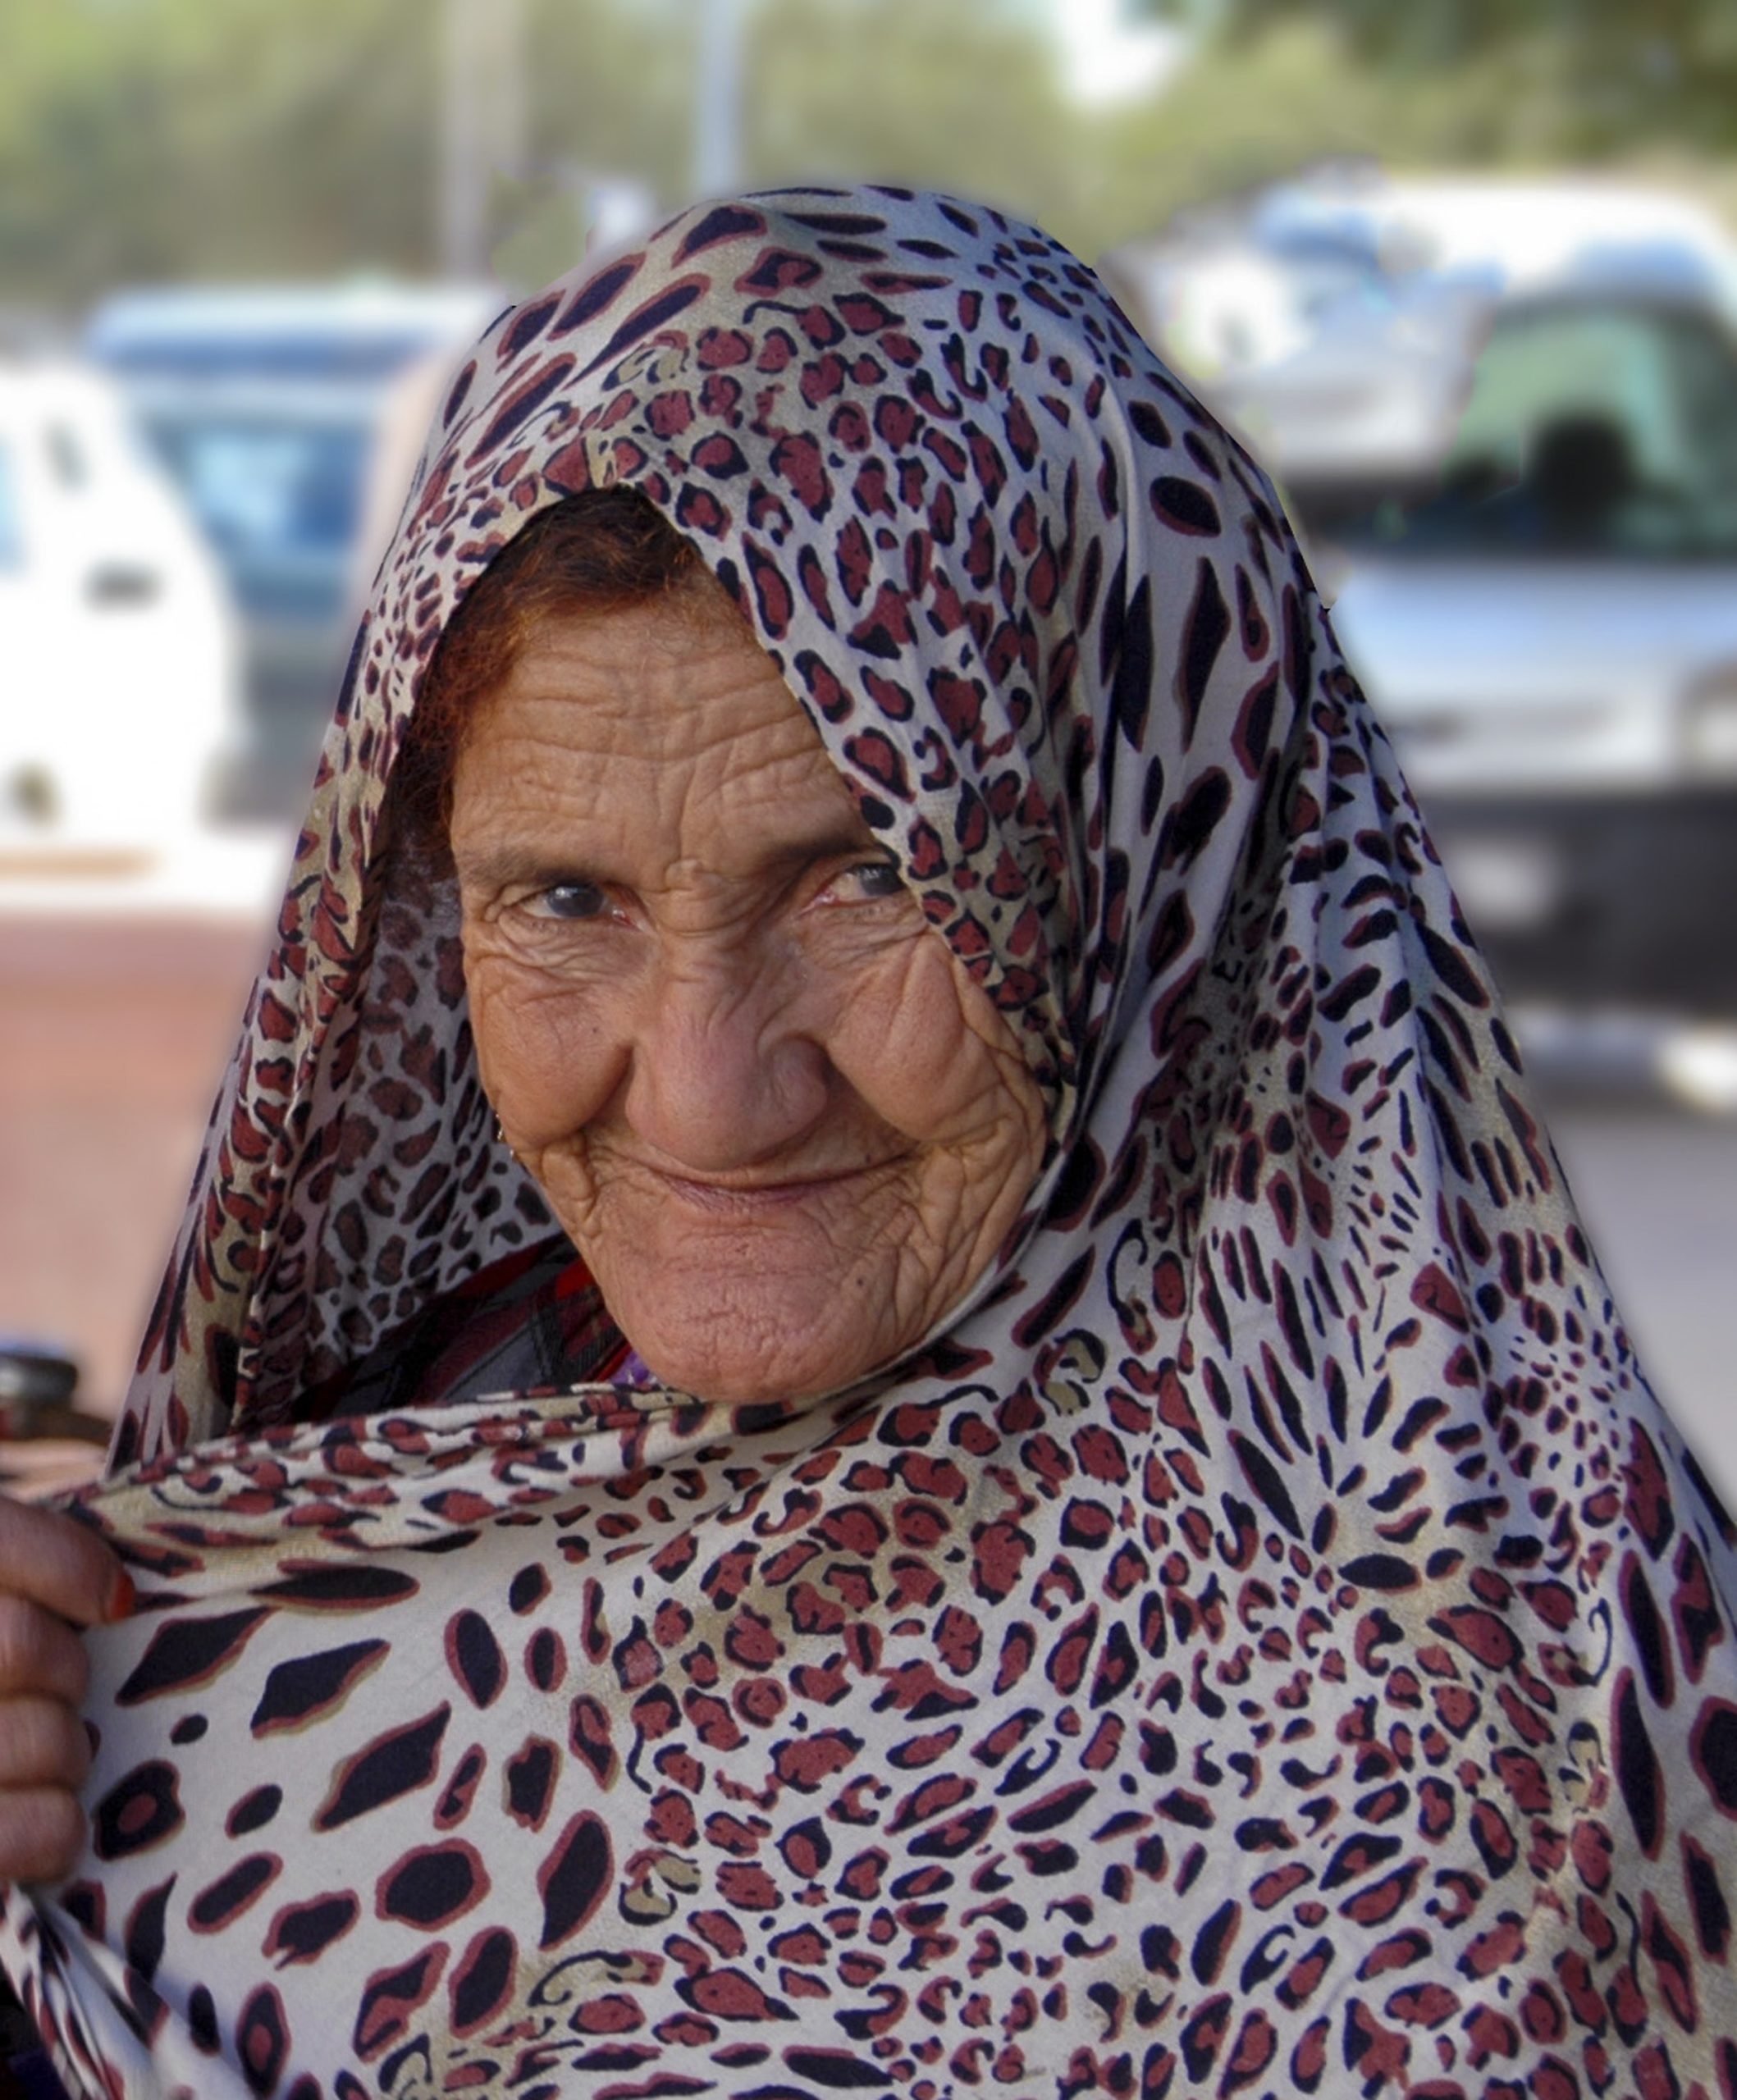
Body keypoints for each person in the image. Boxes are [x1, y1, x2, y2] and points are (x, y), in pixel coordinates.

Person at [0, 185, 1732, 2098]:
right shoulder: (364, 1509)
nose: (709, 1094)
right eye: (564, 898)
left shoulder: (1520, 1749)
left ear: (1142, 869)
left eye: (865, 877)